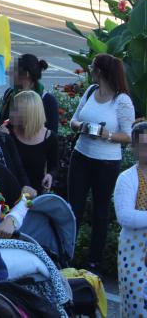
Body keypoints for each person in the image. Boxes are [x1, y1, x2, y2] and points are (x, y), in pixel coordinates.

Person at [68, 53, 135, 271]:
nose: (90, 71)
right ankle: (67, 253)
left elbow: (128, 135)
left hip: (106, 162)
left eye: (93, 68)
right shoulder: (90, 92)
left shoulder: (121, 100)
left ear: (101, 72)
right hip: (81, 155)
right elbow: (74, 120)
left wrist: (106, 134)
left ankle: (94, 260)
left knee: (100, 210)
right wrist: (82, 127)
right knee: (73, 208)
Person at [114, 122, 147, 317]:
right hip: (134, 254)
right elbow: (125, 217)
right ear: (134, 147)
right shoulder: (126, 178)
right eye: (143, 146)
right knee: (136, 306)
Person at [10, 90, 59, 195]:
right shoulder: (9, 132)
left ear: (29, 113)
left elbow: (54, 166)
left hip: (35, 195)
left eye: (16, 110)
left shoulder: (49, 137)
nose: (11, 113)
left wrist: (50, 175)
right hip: (11, 192)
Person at [0, 54, 59, 134]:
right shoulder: (9, 93)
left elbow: (52, 133)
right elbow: (1, 122)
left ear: (26, 74)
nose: (9, 73)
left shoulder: (47, 100)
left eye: (13, 71)